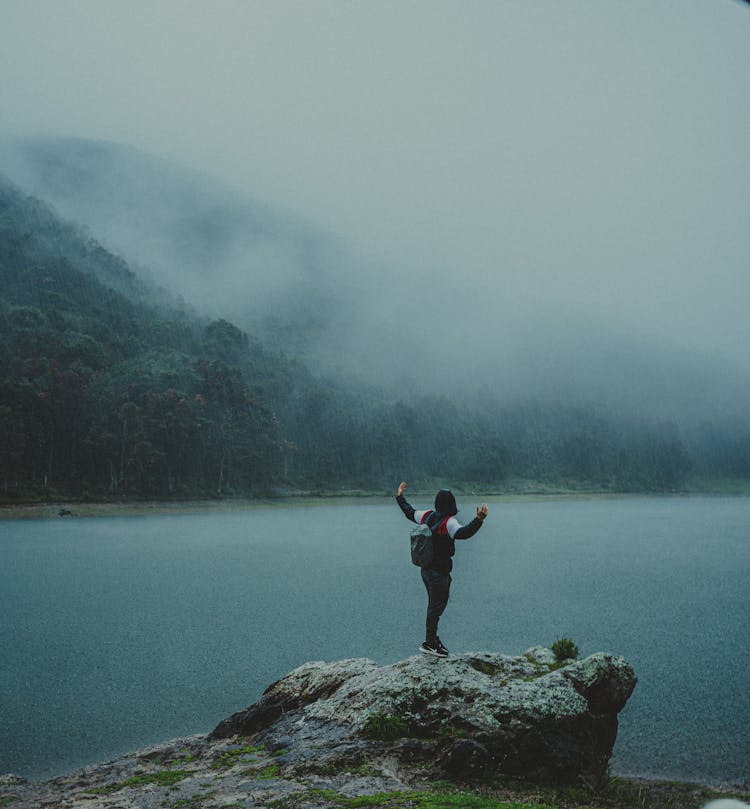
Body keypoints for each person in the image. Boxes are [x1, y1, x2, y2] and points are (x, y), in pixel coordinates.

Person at [396, 481, 488, 657]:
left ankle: (431, 640)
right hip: (439, 574)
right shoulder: (449, 522)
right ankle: (430, 643)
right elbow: (464, 533)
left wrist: (400, 496)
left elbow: (409, 512)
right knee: (435, 608)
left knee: (434, 606)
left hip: (426, 570)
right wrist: (479, 520)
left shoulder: (427, 516)